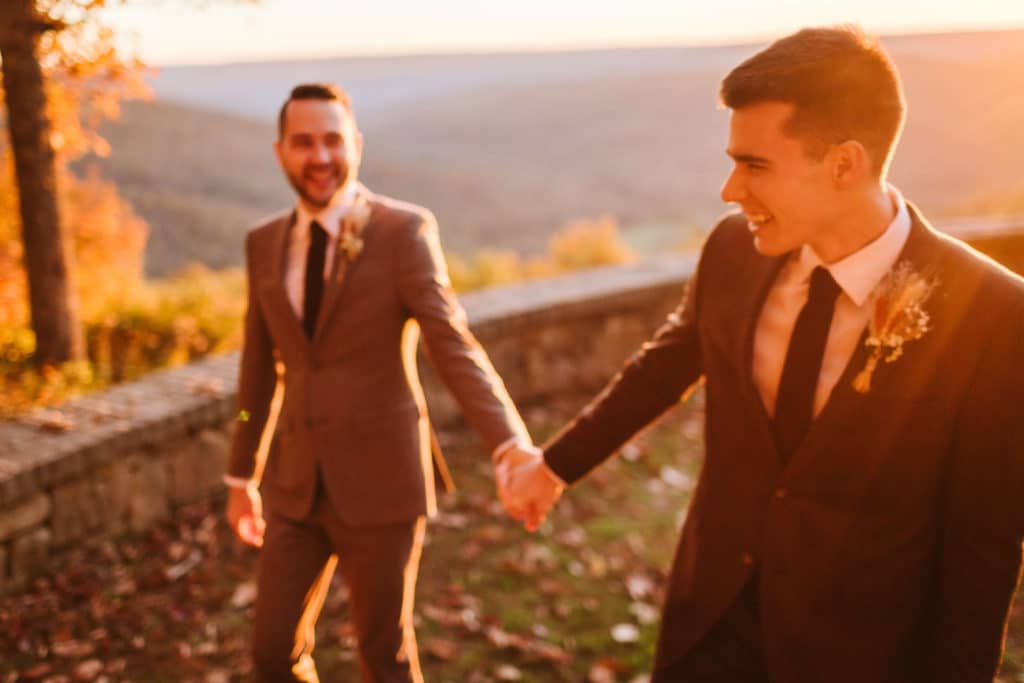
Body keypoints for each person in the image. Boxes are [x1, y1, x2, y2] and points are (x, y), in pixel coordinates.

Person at [501, 25, 1024, 682]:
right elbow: (668, 362)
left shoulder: (997, 316)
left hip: (858, 654)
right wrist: (553, 466)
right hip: (710, 623)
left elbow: (982, 550)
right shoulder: (732, 251)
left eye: (754, 165)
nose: (729, 190)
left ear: (843, 164)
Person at [224, 82, 538, 683]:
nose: (320, 158)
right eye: (304, 143)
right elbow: (256, 377)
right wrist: (243, 473)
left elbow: (453, 344)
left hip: (383, 482)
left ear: (357, 146)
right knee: (270, 653)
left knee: (382, 653)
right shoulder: (262, 243)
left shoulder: (403, 232)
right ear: (280, 152)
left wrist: (508, 441)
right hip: (294, 487)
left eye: (333, 141)